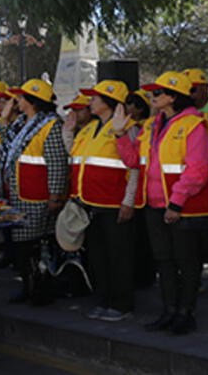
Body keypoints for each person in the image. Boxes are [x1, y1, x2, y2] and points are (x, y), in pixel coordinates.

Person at [118, 71, 208, 334]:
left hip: (181, 206)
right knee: (163, 260)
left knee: (186, 260)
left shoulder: (193, 125)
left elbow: (197, 170)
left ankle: (185, 313)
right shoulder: (152, 125)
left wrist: (175, 203)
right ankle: (168, 311)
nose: (151, 98)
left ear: (172, 97)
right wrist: (120, 135)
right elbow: (133, 161)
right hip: (154, 205)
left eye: (157, 93)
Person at [69, 80, 141, 322]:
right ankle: (104, 299)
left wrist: (128, 200)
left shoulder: (129, 128)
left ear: (109, 101)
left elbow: (135, 168)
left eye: (95, 98)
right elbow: (77, 157)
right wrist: (68, 132)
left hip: (114, 203)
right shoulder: (90, 128)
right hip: (90, 202)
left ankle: (121, 304)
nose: (90, 101)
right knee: (99, 255)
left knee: (119, 255)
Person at [0, 78, 66, 305]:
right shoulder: (22, 123)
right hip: (19, 193)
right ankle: (28, 286)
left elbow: (57, 164)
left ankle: (40, 291)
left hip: (37, 196)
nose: (16, 100)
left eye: (21, 97)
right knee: (22, 249)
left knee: (35, 247)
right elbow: (7, 145)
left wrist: (55, 196)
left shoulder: (51, 125)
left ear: (32, 101)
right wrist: (5, 119)